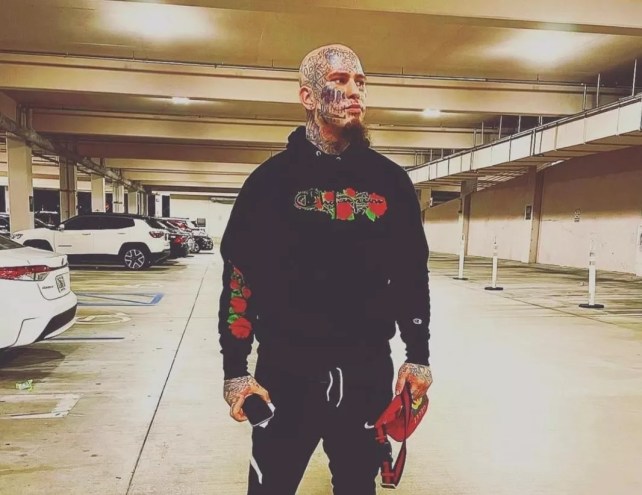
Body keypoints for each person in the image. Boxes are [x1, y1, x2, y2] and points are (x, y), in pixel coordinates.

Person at [218, 44, 433, 495]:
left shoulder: (390, 182)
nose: (355, 92)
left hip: (366, 372)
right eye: (339, 81)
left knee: (357, 485)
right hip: (286, 372)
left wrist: (418, 354)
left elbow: (411, 274)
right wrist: (236, 369)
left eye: (361, 82)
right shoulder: (269, 184)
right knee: (270, 486)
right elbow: (239, 279)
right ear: (308, 96)